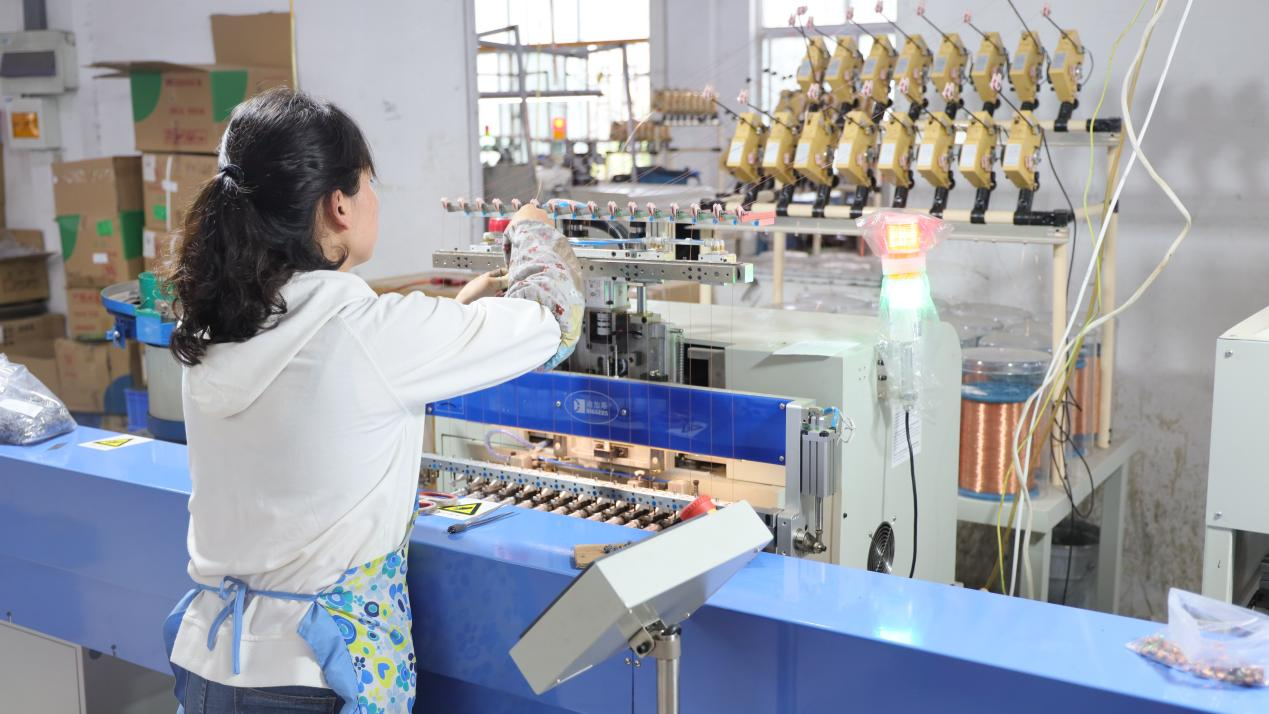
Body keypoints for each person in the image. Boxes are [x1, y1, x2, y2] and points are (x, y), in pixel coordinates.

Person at [161, 87, 583, 713]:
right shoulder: (364, 335)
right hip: (313, 677)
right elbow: (552, 320)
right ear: (338, 205)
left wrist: (454, 319)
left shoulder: (220, 328)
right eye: (368, 184)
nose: (374, 200)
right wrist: (533, 235)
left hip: (210, 665)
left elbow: (332, 395)